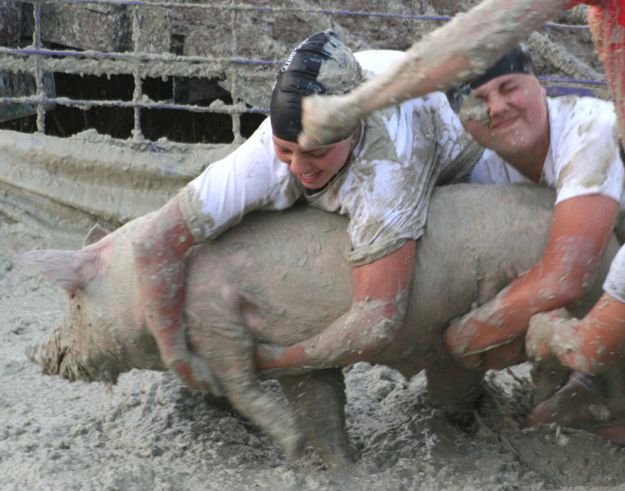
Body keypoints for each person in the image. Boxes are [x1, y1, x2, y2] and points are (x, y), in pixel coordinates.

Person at [133, 30, 482, 393]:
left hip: (454, 131)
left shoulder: (389, 164)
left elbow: (377, 322)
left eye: (316, 153)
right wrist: (177, 356)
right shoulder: (268, 150)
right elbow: (154, 243)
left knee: (456, 311)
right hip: (367, 80)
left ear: (352, 135)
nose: (299, 167)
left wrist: (274, 361)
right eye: (287, 151)